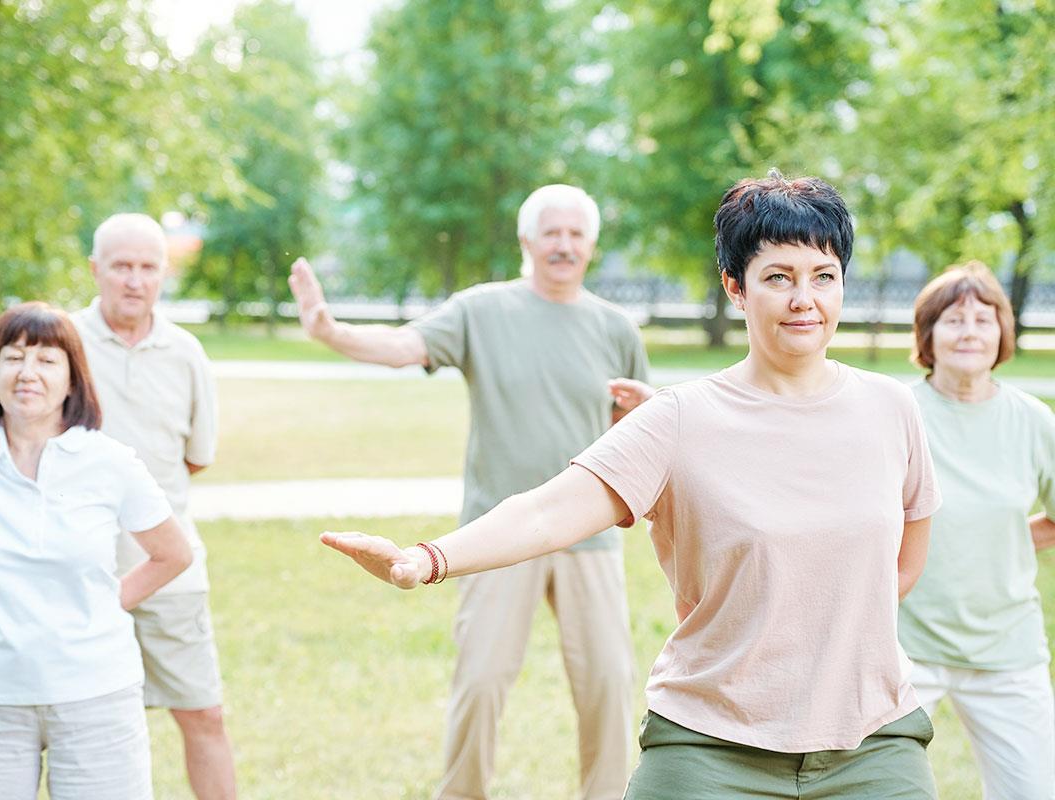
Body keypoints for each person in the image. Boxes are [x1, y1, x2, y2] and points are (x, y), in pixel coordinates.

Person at [320, 173, 943, 799]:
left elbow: (904, 561)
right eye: (778, 277)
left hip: (872, 746)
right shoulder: (677, 418)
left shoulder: (892, 409)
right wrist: (421, 562)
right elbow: (545, 512)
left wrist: (825, 634)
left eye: (823, 275)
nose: (804, 298)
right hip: (711, 747)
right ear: (735, 287)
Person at [289, 184, 650, 800]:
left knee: (610, 688)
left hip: (586, 536)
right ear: (527, 241)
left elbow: (637, 436)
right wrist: (331, 332)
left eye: (575, 234)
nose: (564, 245)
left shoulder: (616, 328)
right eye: (551, 233)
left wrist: (639, 416)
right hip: (495, 536)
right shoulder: (481, 310)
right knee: (480, 683)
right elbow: (405, 347)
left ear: (591, 244)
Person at [0, 214, 233, 800]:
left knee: (202, 714)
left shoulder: (170, 373)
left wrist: (105, 587)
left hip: (132, 605)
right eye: (121, 266)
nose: (134, 280)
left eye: (147, 267)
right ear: (96, 269)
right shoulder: (49, 339)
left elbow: (195, 465)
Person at [899, 262, 1055, 800]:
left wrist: (1004, 538)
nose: (969, 331)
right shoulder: (898, 413)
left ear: (1002, 334)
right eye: (953, 319)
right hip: (902, 647)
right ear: (928, 335)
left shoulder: (1034, 421)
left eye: (983, 320)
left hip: (1007, 651)